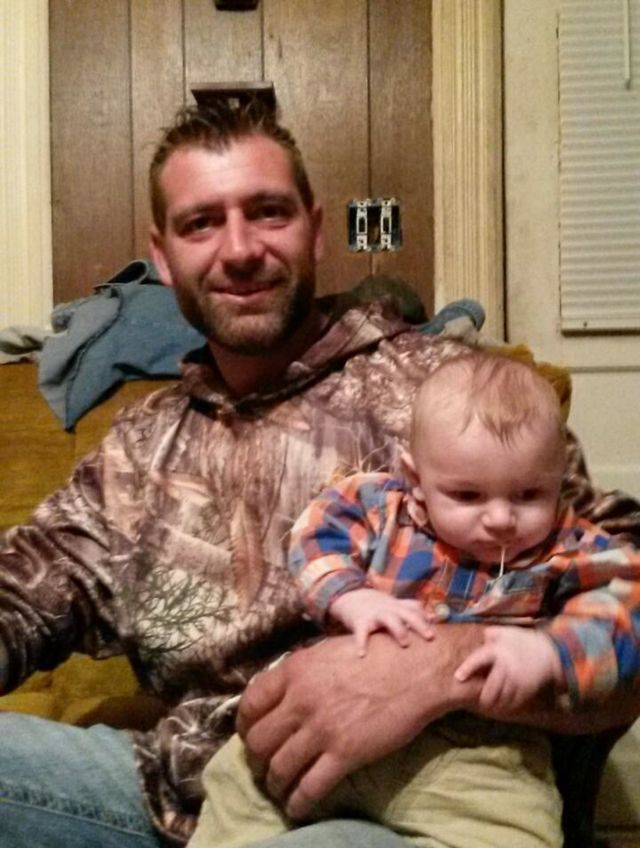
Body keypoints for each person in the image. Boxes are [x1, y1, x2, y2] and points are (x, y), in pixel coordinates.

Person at [0, 98, 639, 848]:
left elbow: (623, 591)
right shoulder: (139, 447)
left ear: (316, 227)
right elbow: (21, 592)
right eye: (201, 223)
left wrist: (445, 666)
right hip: (186, 797)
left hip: (402, 804)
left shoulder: (453, 397)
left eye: (267, 212)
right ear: (164, 255)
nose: (240, 249)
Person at [188, 351, 640, 848]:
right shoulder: (382, 508)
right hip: (321, 731)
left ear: (558, 479)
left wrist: (552, 651)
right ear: (416, 479)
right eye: (468, 496)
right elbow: (317, 531)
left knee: (520, 832)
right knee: (235, 784)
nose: (501, 519)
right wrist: (349, 595)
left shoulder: (569, 546)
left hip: (476, 757)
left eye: (529, 494)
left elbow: (630, 606)